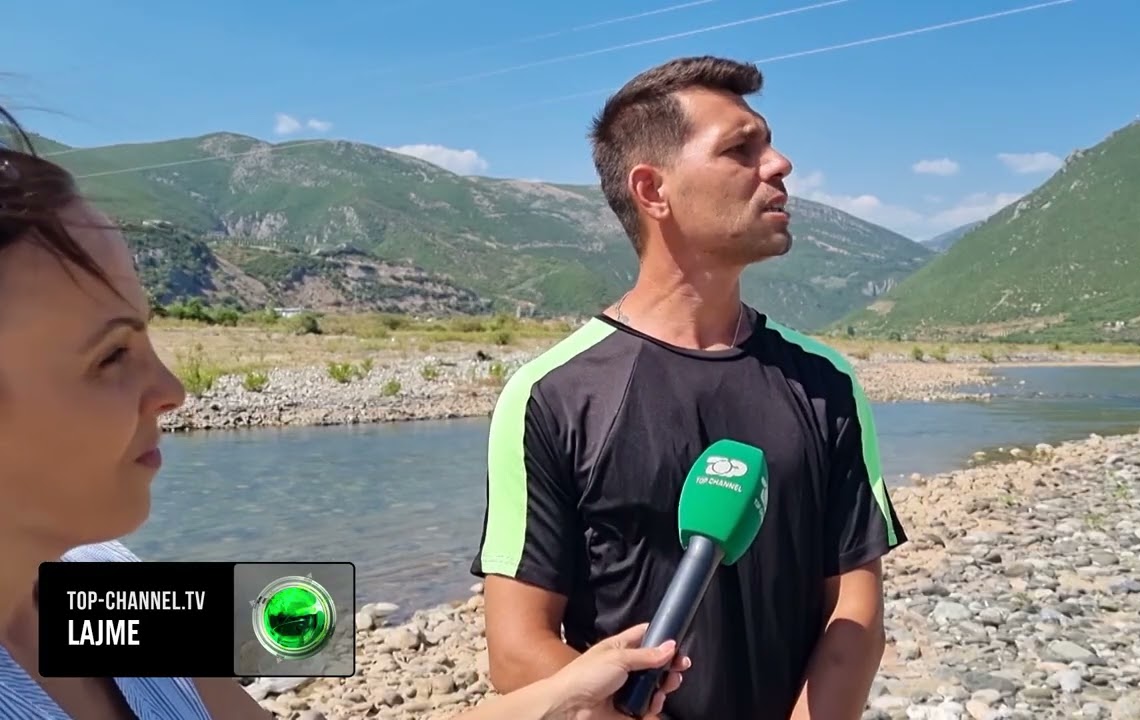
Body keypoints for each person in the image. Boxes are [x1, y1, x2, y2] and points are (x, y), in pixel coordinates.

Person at [0, 107, 688, 719]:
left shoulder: (100, 581)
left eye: (147, 335)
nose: (173, 389)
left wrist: (557, 700)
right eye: (111, 355)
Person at [470, 55, 909, 720]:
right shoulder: (550, 395)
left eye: (769, 143)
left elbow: (853, 610)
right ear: (653, 190)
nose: (780, 164)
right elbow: (517, 649)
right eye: (741, 149)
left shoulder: (826, 382)